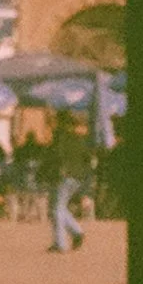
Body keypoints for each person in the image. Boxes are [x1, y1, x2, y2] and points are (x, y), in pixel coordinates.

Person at [45, 108, 94, 252]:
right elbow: (87, 160)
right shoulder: (80, 139)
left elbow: (54, 158)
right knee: (58, 208)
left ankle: (60, 244)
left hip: (63, 176)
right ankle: (77, 232)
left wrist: (44, 174)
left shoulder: (59, 138)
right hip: (77, 178)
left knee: (56, 209)